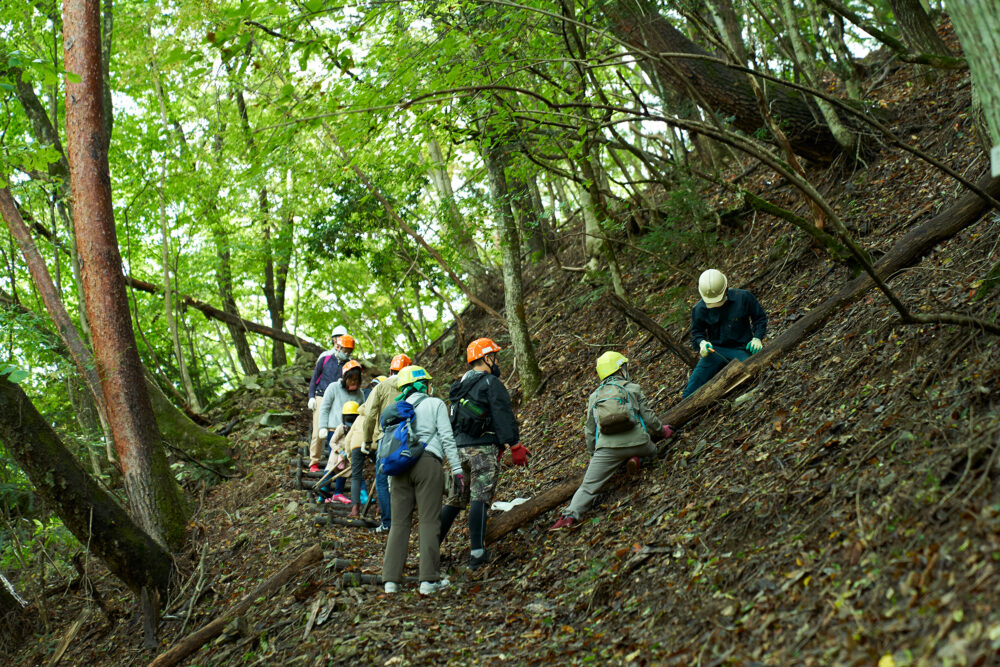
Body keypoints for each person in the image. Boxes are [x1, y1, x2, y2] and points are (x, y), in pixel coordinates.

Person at [549, 351, 668, 531]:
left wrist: (593, 455)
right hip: (640, 443)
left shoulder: (594, 397)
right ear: (620, 370)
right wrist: (663, 431)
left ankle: (569, 516)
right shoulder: (632, 388)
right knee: (653, 453)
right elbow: (650, 419)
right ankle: (637, 459)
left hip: (607, 450)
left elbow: (590, 430)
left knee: (588, 486)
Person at [439, 338, 527, 568]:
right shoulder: (490, 383)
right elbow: (503, 416)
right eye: (494, 357)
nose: (496, 361)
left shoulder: (458, 386)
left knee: (455, 500)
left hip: (458, 452)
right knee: (480, 497)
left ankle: (429, 548)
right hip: (482, 449)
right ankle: (477, 553)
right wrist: (515, 446)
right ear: (487, 358)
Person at [381, 366, 464, 595]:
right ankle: (428, 581)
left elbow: (386, 444)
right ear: (424, 384)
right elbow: (447, 437)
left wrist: (389, 481)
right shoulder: (435, 403)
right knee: (429, 521)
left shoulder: (394, 409)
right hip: (428, 463)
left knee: (399, 523)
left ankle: (391, 581)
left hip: (398, 469)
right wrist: (457, 470)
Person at [682, 269, 768, 398]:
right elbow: (697, 333)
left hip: (742, 349)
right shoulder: (699, 309)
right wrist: (702, 343)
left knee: (756, 373)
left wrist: (757, 338)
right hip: (715, 352)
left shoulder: (743, 297)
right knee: (690, 393)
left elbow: (760, 318)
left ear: (726, 287)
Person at [360, 354, 412, 533]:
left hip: (386, 437)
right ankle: (406, 520)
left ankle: (388, 523)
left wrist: (367, 440)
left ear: (390, 370)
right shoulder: (414, 385)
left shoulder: (382, 386)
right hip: (409, 436)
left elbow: (369, 415)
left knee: (382, 481)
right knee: (405, 479)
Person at [307, 330, 355, 471]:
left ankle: (335, 461)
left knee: (337, 431)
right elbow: (314, 379)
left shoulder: (350, 365)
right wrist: (311, 396)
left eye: (349, 351)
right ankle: (314, 462)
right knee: (318, 430)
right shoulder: (325, 359)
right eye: (345, 350)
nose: (347, 353)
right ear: (338, 347)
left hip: (339, 398)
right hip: (321, 395)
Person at [318, 360, 365, 473]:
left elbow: (362, 413)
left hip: (351, 432)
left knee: (345, 461)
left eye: (356, 379)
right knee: (333, 460)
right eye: (351, 379)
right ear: (345, 378)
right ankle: (325, 486)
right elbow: (324, 407)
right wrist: (322, 426)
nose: (353, 382)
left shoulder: (360, 394)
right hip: (333, 430)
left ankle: (338, 489)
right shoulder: (333, 387)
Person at [317, 401, 360, 505]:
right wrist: (339, 450)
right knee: (329, 472)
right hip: (336, 455)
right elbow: (332, 442)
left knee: (343, 474)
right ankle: (323, 493)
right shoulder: (341, 428)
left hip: (347, 456)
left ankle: (338, 494)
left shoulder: (357, 428)